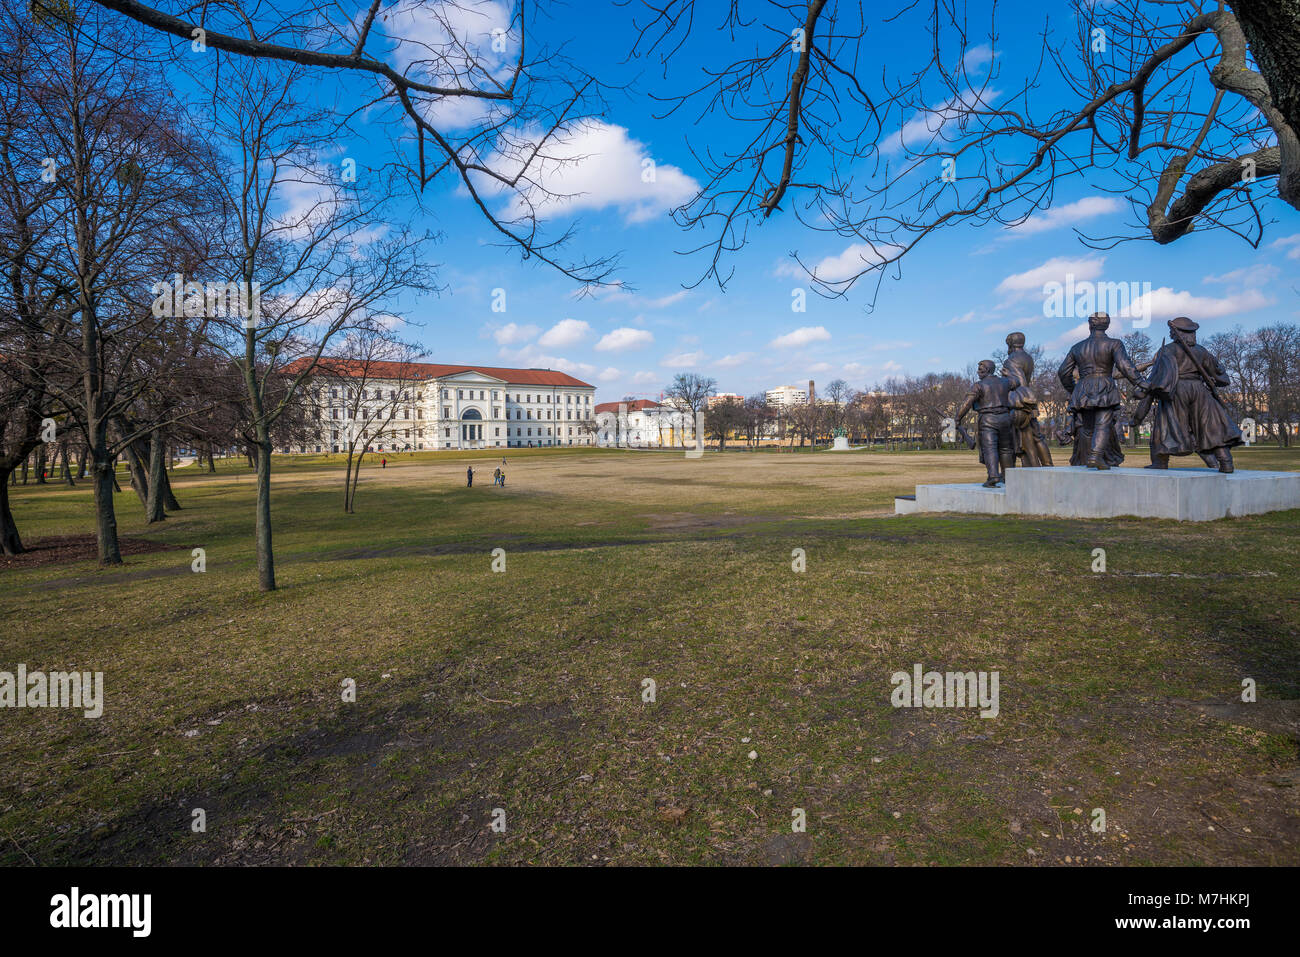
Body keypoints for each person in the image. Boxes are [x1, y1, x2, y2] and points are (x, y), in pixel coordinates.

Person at [1134, 316, 1243, 472]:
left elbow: (1158, 375)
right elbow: (1220, 375)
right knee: (1211, 426)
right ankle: (1226, 461)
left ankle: (1160, 461)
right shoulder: (1201, 351)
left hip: (1176, 390)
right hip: (1200, 390)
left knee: (1165, 424)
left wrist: (1144, 389)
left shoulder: (1168, 350)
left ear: (1174, 332)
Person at [1057, 312, 1146, 470]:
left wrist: (1074, 390)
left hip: (1083, 387)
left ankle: (1092, 457)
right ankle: (1095, 456)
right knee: (1103, 423)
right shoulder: (1114, 344)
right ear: (1107, 325)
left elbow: (1063, 372)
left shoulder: (1077, 347)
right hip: (1104, 384)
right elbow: (1125, 366)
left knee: (1087, 427)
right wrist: (1140, 382)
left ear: (1090, 325)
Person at [956, 359, 1016, 487]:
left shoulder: (979, 385)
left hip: (988, 419)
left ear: (987, 370)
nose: (978, 372)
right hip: (1005, 418)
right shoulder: (1005, 382)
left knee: (990, 449)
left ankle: (993, 476)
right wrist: (1009, 374)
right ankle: (1009, 477)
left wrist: (957, 418)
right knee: (1006, 449)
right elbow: (1017, 382)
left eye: (980, 369)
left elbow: (967, 403)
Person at [1000, 332, 1053, 467]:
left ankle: (1035, 467)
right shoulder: (1027, 357)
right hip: (1028, 401)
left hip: (1021, 404)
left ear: (1010, 343)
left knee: (1027, 439)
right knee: (1037, 436)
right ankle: (1047, 465)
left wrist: (1006, 379)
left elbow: (1020, 382)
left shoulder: (1011, 359)